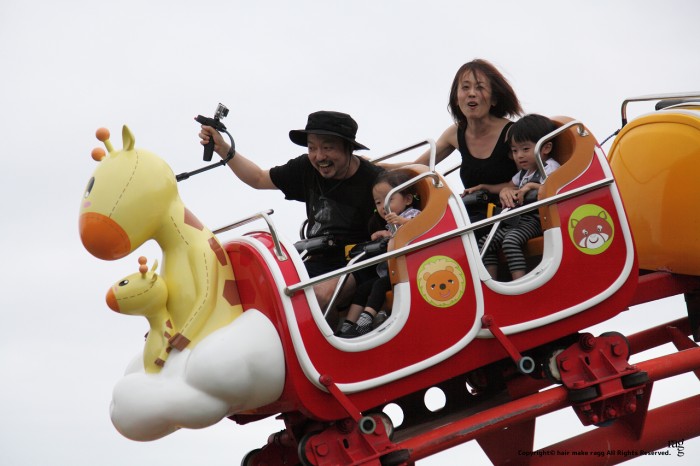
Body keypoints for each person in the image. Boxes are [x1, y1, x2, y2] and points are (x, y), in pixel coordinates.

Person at [198, 110, 385, 309]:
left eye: (327, 148)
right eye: (312, 148)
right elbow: (258, 178)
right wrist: (223, 148)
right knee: (259, 288)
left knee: (315, 296)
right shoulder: (306, 167)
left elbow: (398, 224)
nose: (319, 156)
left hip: (359, 263)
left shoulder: (376, 181)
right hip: (315, 257)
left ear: (349, 148)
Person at [414, 59, 523, 224]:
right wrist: (377, 166)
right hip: (473, 217)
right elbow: (418, 167)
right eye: (465, 87)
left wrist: (508, 189)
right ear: (456, 99)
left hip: (511, 215)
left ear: (494, 99)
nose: (472, 93)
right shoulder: (455, 133)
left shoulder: (512, 133)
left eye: (480, 87)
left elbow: (530, 177)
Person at [338, 171, 421, 338]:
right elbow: (393, 237)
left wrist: (402, 222)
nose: (383, 206)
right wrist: (382, 236)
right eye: (378, 202)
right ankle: (347, 326)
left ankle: (365, 322)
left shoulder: (411, 215)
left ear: (407, 199)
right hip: (392, 271)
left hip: (409, 270)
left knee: (379, 285)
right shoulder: (389, 225)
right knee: (363, 288)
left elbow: (418, 227)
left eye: (389, 200)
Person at [478, 114, 560, 281]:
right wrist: (488, 188)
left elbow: (554, 189)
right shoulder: (524, 173)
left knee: (510, 241)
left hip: (538, 219)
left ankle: (520, 283)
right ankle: (493, 283)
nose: (519, 155)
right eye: (515, 151)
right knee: (486, 242)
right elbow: (509, 186)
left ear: (545, 148)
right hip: (519, 220)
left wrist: (531, 187)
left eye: (525, 149)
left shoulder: (549, 167)